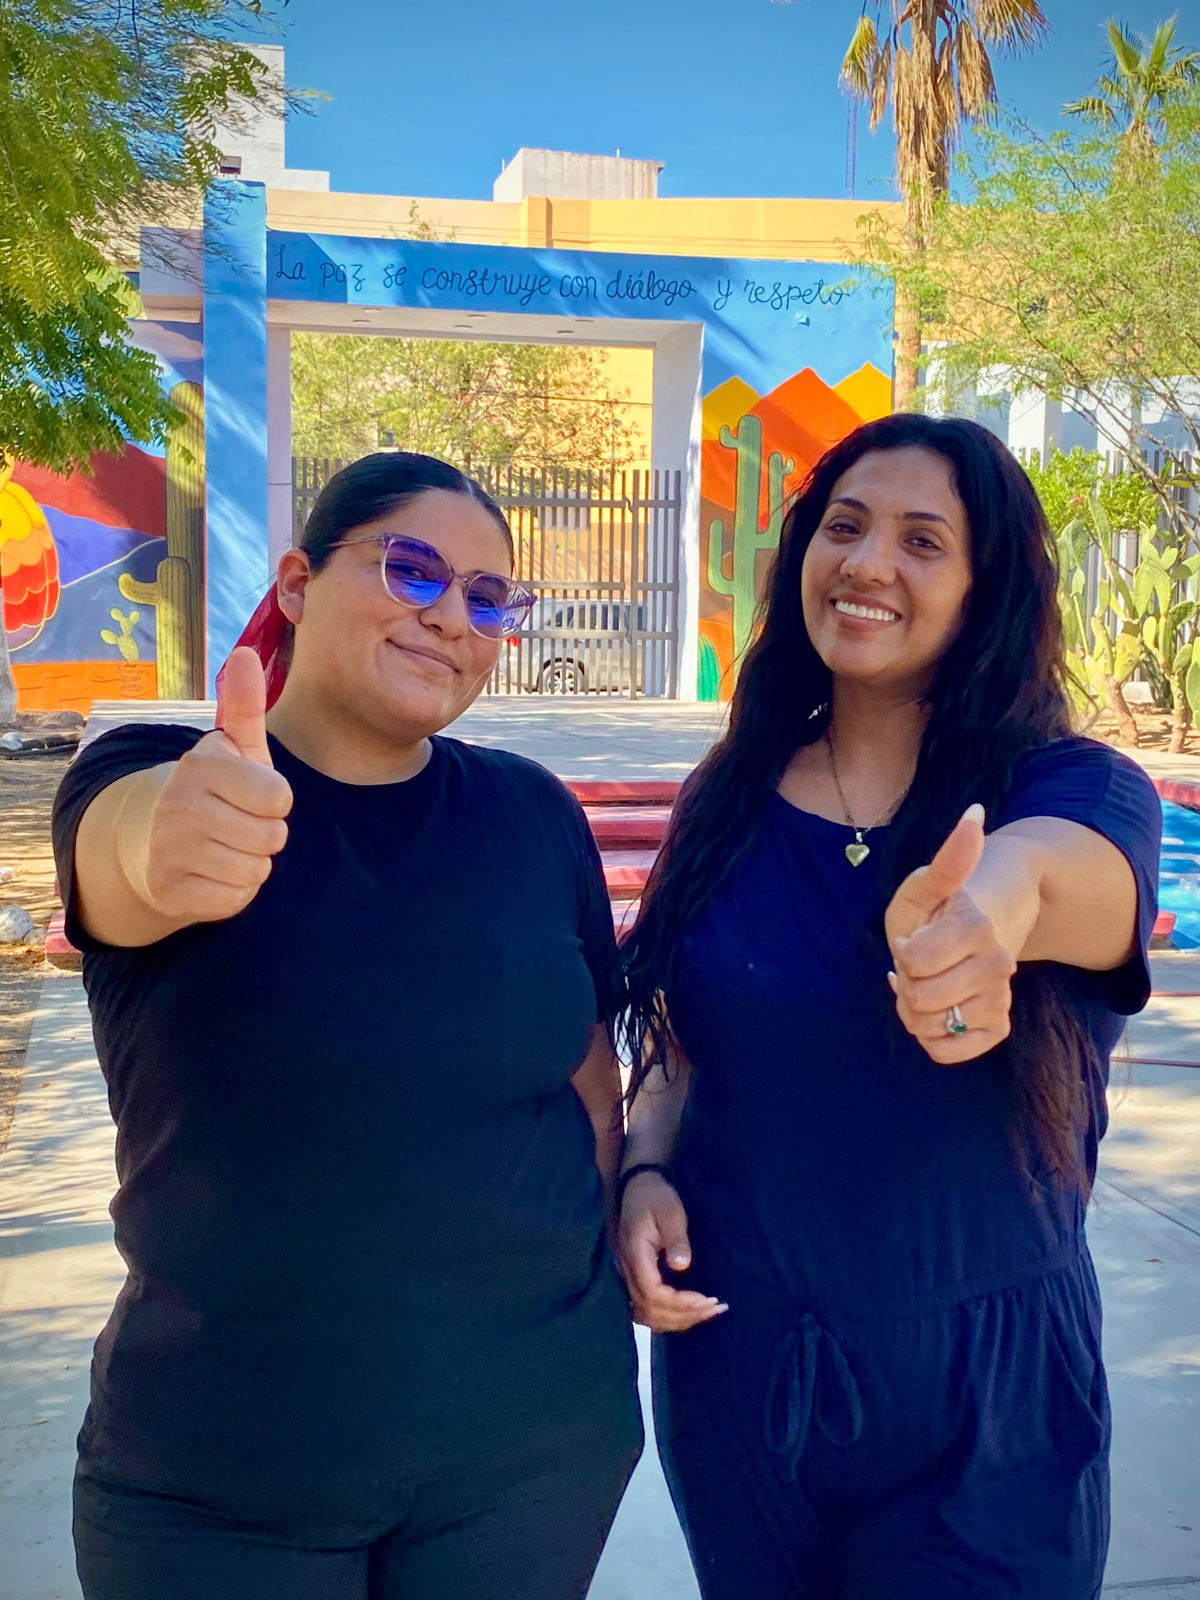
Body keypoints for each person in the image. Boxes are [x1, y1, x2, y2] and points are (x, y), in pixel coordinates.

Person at [53, 451, 642, 1600]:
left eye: (488, 597)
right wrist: (171, 838)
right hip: (219, 1488)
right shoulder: (163, 775)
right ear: (296, 583)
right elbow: (124, 857)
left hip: (532, 1463)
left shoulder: (531, 813)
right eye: (411, 568)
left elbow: (588, 1078)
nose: (450, 616)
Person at [616, 414, 1161, 1600]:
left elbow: (1057, 879)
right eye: (846, 526)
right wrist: (645, 1166)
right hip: (740, 1374)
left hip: (985, 1407)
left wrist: (984, 918)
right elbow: (680, 1039)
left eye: (923, 540)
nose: (868, 563)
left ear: (984, 590)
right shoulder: (729, 795)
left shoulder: (1072, 786)